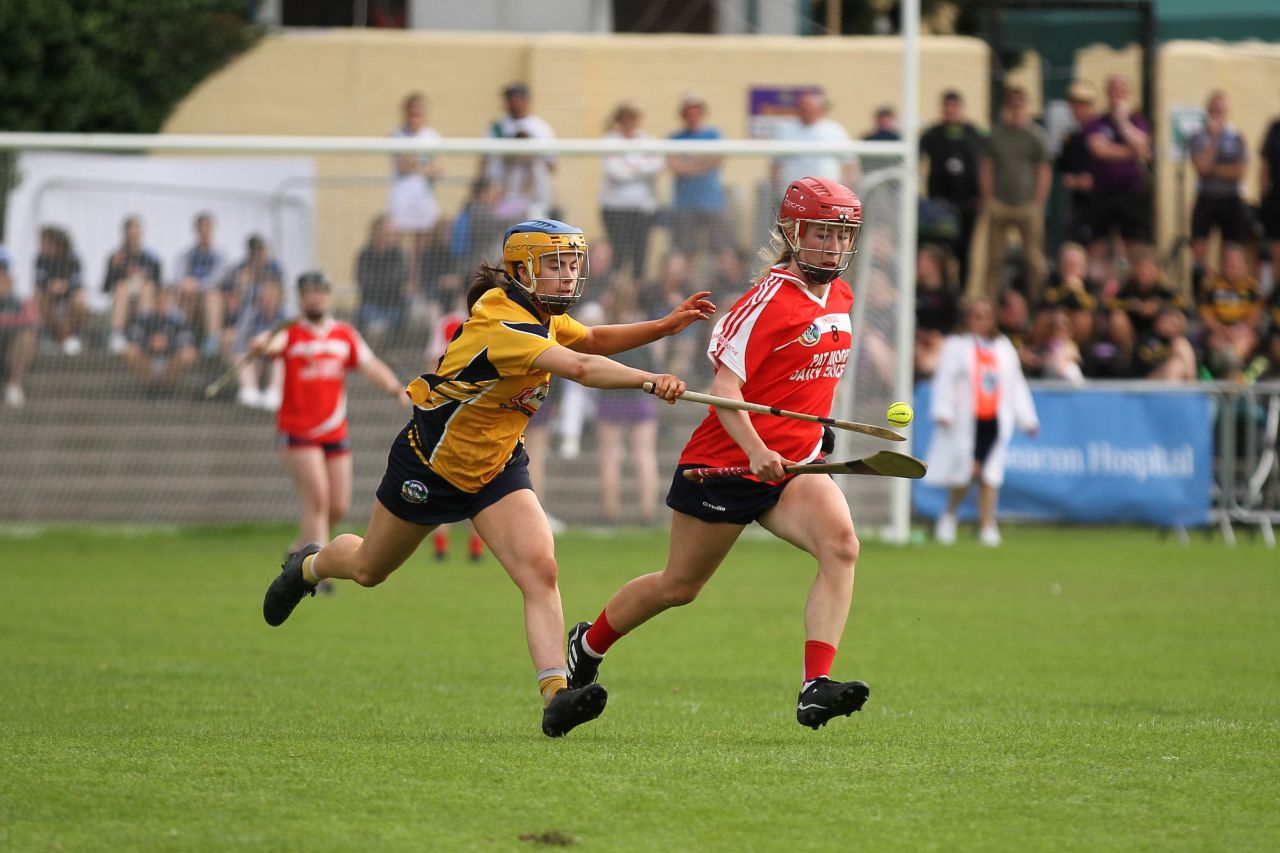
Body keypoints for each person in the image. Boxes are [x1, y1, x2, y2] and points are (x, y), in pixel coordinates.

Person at [260, 220, 716, 739]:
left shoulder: (540, 315)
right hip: (431, 467)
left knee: (540, 569)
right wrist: (649, 380)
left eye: (572, 265)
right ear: (523, 270)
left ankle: (556, 695)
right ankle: (309, 566)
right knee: (368, 568)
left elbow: (591, 338)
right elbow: (584, 368)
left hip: (497, 468)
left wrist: (664, 326)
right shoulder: (504, 326)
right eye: (555, 265)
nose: (568, 277)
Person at [564, 177, 874, 733]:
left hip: (793, 468)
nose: (832, 247)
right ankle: (587, 646)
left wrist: (818, 432)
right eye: (821, 234)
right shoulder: (766, 302)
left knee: (842, 546)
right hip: (724, 464)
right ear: (793, 232)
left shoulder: (842, 296)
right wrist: (755, 450)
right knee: (678, 587)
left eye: (840, 236)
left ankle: (814, 687)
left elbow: (807, 381)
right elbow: (728, 391)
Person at [251, 271, 406, 553]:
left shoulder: (344, 334)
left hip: (334, 430)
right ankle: (316, 571)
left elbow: (370, 366)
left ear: (327, 295)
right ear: (300, 298)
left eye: (318, 291)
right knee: (318, 499)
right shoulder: (290, 333)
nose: (313, 297)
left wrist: (396, 389)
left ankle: (299, 549)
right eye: (307, 292)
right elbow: (269, 344)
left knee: (337, 506)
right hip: (298, 431)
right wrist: (261, 344)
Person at [926, 297, 1039, 547]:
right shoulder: (957, 345)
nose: (980, 320)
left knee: (991, 474)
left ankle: (988, 524)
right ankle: (949, 517)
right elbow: (945, 379)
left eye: (985, 315)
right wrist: (943, 409)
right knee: (965, 472)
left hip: (994, 419)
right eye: (975, 315)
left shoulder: (1003, 346)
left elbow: (1015, 383)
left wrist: (1027, 418)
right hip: (967, 419)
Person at [979, 86, 1051, 302]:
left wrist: (1038, 202)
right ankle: (989, 303)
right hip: (1000, 203)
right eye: (1013, 104)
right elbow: (987, 167)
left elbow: (1043, 171)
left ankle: (1036, 304)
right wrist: (988, 198)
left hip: (1027, 205)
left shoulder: (1036, 135)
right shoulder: (997, 134)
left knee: (1034, 260)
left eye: (1021, 104)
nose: (1017, 108)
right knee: (994, 258)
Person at [1084, 76, 1152, 278]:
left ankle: (1135, 285)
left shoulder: (1137, 121)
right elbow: (1099, 150)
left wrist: (1122, 122)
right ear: (1107, 94)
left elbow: (1142, 146)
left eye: (1122, 90)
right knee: (1099, 244)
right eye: (1114, 90)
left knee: (1135, 245)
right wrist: (1130, 151)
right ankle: (1098, 290)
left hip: (1131, 192)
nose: (1118, 94)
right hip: (1102, 192)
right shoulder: (1096, 122)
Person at [920, 90, 986, 289]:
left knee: (965, 251)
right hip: (940, 204)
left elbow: (986, 164)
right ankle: (941, 289)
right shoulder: (933, 134)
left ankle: (962, 290)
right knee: (941, 250)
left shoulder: (975, 133)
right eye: (946, 108)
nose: (950, 112)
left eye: (954, 107)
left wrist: (983, 194)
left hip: (969, 204)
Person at [599, 101, 663, 279]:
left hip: (642, 210)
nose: (632, 122)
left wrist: (630, 165)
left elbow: (658, 165)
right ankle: (616, 295)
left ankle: (635, 296)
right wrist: (642, 166)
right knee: (619, 255)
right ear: (620, 120)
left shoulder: (647, 139)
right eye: (628, 118)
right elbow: (616, 172)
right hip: (615, 209)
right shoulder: (609, 140)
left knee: (639, 257)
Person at [1188, 90, 1249, 271]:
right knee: (1199, 246)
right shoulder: (1198, 137)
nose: (1218, 114)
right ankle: (1199, 290)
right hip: (1206, 197)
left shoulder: (1237, 137)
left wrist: (1213, 170)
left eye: (1221, 110)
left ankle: (1227, 288)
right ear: (1208, 110)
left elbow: (1239, 171)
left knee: (1231, 249)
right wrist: (1214, 138)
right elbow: (1201, 168)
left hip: (1231, 198)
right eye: (1214, 110)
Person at [667, 91, 731, 260]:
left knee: (722, 248)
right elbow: (675, 166)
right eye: (688, 111)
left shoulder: (714, 135)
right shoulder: (674, 138)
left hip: (712, 203)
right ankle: (689, 287)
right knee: (686, 252)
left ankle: (729, 286)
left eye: (696, 110)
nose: (692, 115)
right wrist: (702, 162)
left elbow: (717, 159)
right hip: (684, 206)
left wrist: (689, 164)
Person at [389, 92, 443, 288]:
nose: (415, 116)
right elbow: (402, 164)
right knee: (397, 243)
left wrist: (418, 166)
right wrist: (423, 166)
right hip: (401, 197)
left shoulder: (432, 137)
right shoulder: (396, 135)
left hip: (424, 197)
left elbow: (438, 169)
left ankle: (417, 286)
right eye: (412, 112)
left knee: (421, 248)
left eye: (419, 112)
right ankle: (398, 284)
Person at [484, 83, 557, 220]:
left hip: (533, 200)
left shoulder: (541, 128)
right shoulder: (496, 127)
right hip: (502, 197)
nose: (514, 103)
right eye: (510, 99)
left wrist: (531, 164)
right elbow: (485, 160)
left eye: (518, 98)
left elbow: (552, 164)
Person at [770, 90, 860, 196]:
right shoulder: (786, 131)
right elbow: (776, 164)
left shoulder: (835, 131)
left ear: (819, 110)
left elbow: (849, 163)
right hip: (793, 195)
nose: (804, 111)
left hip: (827, 196)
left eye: (808, 108)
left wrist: (846, 191)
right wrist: (776, 190)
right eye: (802, 108)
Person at [1198, 243, 1264, 380]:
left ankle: (1233, 380)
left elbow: (1254, 317)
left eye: (1236, 262)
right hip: (1217, 332)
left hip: (1242, 332)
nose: (1232, 265)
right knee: (1216, 344)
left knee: (1244, 343)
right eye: (1229, 262)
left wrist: (1237, 330)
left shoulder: (1253, 288)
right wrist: (1223, 330)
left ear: (1244, 265)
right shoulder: (1211, 287)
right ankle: (1230, 379)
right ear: (1222, 264)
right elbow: (1206, 316)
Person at [103, 216, 163, 356]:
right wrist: (114, 269)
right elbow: (105, 288)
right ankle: (117, 335)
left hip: (146, 300)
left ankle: (143, 331)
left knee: (147, 287)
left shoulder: (151, 259)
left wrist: (142, 277)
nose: (134, 233)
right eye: (130, 229)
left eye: (137, 229)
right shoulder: (116, 257)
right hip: (122, 301)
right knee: (121, 287)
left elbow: (159, 287)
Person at [171, 212, 226, 354]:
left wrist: (197, 285)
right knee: (185, 292)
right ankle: (185, 336)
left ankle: (212, 339)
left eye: (208, 228)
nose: (205, 232)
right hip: (190, 298)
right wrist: (187, 285)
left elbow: (218, 279)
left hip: (210, 299)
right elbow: (178, 277)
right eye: (202, 229)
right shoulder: (186, 255)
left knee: (212, 295)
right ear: (196, 230)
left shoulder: (219, 256)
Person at [121, 286, 197, 388]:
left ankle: (166, 386)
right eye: (160, 298)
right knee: (129, 351)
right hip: (148, 360)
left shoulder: (178, 320)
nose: (163, 301)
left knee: (189, 354)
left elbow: (187, 339)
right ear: (155, 299)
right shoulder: (145, 318)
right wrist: (149, 342)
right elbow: (133, 335)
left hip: (170, 361)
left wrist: (168, 343)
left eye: (166, 298)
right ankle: (149, 385)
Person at [354, 213, 410, 349]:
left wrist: (380, 283)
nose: (393, 238)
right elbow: (364, 283)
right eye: (389, 234)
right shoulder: (365, 255)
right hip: (371, 305)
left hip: (396, 305)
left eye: (394, 234)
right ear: (377, 234)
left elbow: (399, 279)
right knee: (376, 330)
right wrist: (387, 283)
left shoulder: (400, 255)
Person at [32, 226, 87, 356]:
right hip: (49, 300)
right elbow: (39, 282)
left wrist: (64, 287)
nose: (41, 245)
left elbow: (78, 283)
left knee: (80, 299)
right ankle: (58, 337)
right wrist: (52, 287)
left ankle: (66, 337)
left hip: (69, 298)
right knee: (37, 296)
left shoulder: (72, 258)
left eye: (44, 242)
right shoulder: (41, 258)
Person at [1056, 81, 1098, 247]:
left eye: (1082, 105)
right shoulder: (1071, 138)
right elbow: (1064, 171)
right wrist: (1075, 181)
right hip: (1078, 204)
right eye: (1074, 105)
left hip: (1100, 200)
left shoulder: (1101, 131)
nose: (1077, 110)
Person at [0, 248, 38, 408]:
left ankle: (14, 386)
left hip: (8, 348)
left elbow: (31, 318)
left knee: (27, 337)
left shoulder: (17, 299)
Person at [1258, 110, 1280, 288]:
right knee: (1276, 248)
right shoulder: (1275, 128)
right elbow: (1264, 166)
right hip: (1276, 197)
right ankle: (1277, 292)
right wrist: (1264, 198)